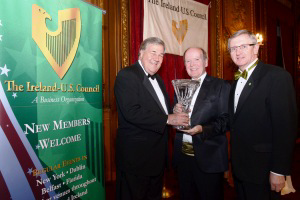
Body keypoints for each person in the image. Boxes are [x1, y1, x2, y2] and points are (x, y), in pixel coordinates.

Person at [114, 37, 189, 200]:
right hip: (136, 159)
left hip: (156, 159)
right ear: (141, 53)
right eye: (153, 52)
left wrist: (173, 110)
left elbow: (161, 110)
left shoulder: (159, 80)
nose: (157, 58)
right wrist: (169, 119)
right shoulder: (127, 75)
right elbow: (131, 112)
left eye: (161, 55)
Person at [227, 29, 298, 200]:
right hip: (240, 169)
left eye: (243, 46)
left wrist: (278, 170)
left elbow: (285, 128)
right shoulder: (235, 80)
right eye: (233, 48)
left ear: (256, 48)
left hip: (263, 170)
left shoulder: (277, 77)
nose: (237, 52)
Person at [173, 47, 230, 200]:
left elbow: (226, 120)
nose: (192, 64)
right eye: (188, 61)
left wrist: (202, 129)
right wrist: (175, 111)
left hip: (209, 156)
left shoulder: (221, 86)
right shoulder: (181, 86)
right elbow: (176, 117)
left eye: (196, 59)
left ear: (206, 61)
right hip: (183, 156)